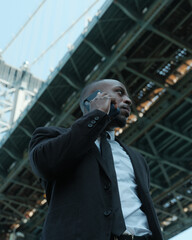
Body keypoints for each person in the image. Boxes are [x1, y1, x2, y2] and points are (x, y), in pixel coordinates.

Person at [29, 79, 163, 240]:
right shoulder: (52, 136)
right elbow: (44, 165)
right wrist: (97, 114)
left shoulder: (137, 158)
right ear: (93, 99)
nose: (128, 100)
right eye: (119, 92)